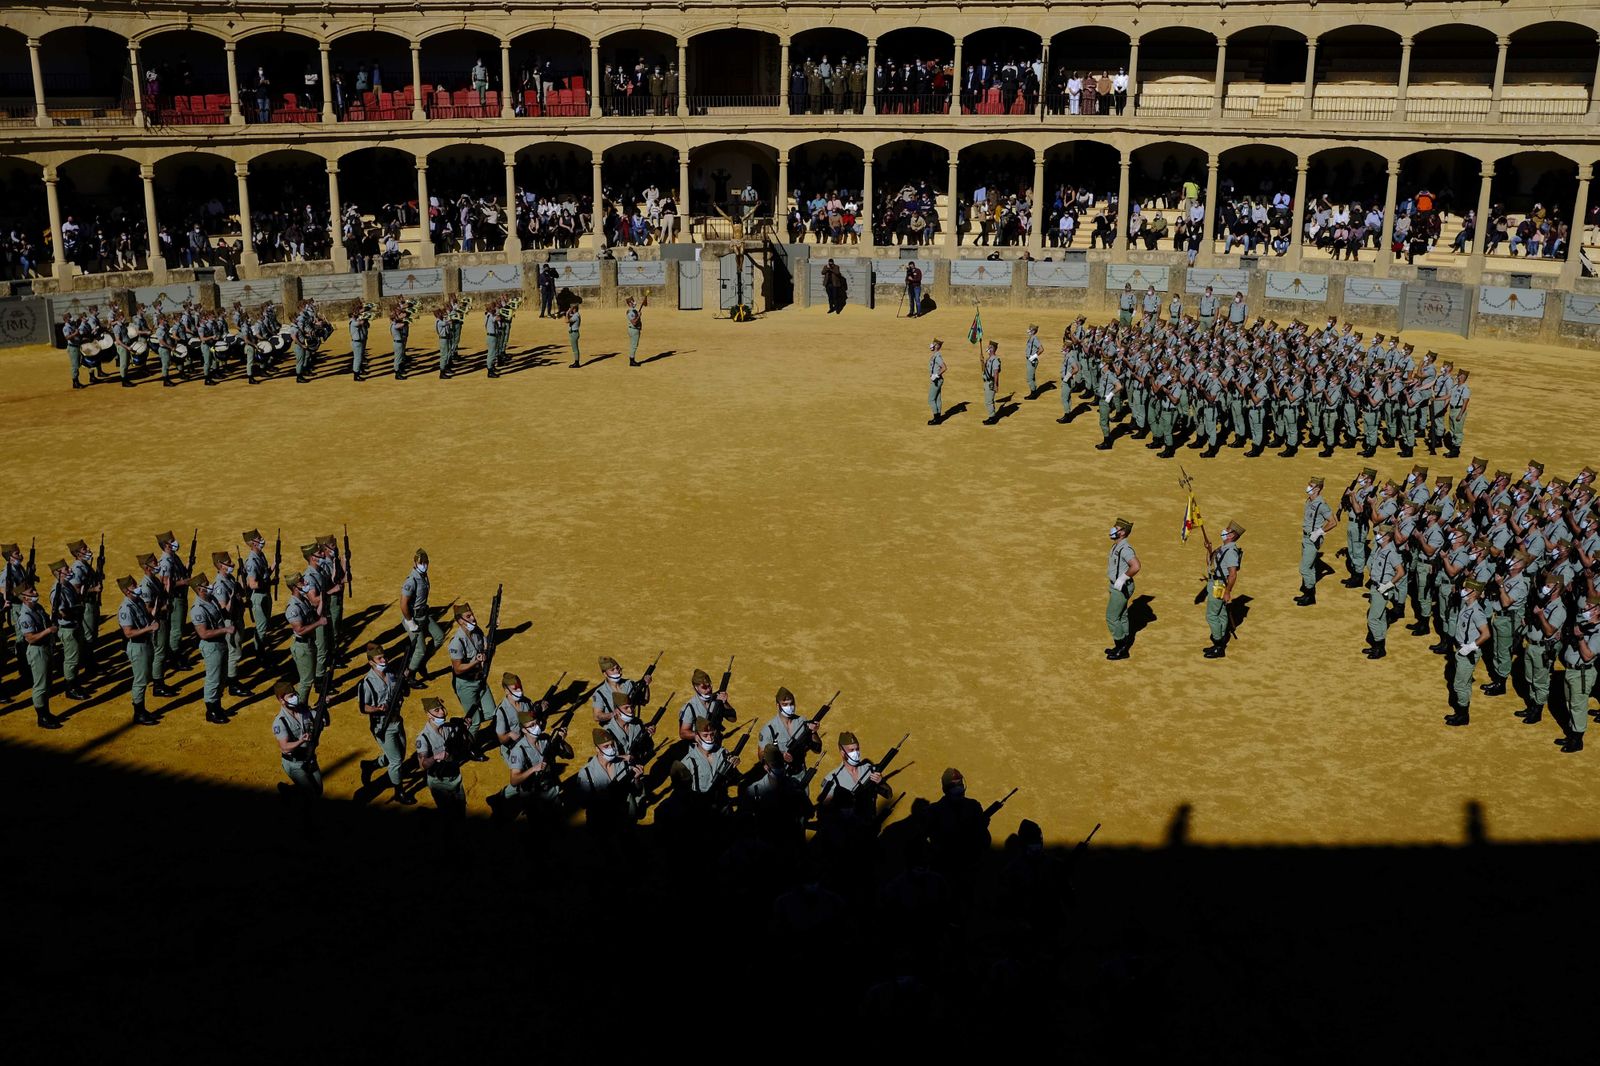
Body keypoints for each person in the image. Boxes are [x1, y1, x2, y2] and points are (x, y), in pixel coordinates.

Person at [357, 641, 416, 804]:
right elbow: (363, 707)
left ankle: (371, 765)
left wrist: (405, 680)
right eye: (379, 658)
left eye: (384, 657)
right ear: (371, 662)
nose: (384, 660)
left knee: (399, 755)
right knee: (396, 761)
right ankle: (399, 791)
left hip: (397, 720)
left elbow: (403, 692)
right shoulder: (366, 683)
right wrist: (378, 709)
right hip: (382, 725)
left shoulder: (391, 674)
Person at [446, 601, 494, 757]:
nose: (473, 618)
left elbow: (486, 647)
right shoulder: (457, 642)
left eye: (472, 614)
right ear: (460, 621)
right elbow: (458, 669)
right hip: (465, 684)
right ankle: (469, 748)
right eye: (468, 616)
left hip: (480, 679)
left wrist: (493, 631)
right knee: (475, 722)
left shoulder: (477, 631)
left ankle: (465, 723)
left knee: (491, 712)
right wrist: (475, 661)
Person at [187, 572, 236, 725]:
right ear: (199, 589)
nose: (210, 585)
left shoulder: (211, 599)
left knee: (222, 677)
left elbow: (222, 613)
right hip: (211, 646)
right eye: (206, 584)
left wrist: (231, 600)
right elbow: (203, 633)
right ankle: (211, 710)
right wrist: (225, 630)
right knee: (213, 679)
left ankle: (218, 706)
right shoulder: (197, 609)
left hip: (220, 643)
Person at [15, 584, 62, 729]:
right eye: (31, 591)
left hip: (46, 648)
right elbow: (30, 638)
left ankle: (46, 712)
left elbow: (46, 620)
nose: (35, 592)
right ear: (25, 598)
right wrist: (48, 631)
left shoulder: (38, 607)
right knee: (40, 686)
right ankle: (42, 717)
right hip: (37, 651)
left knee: (47, 683)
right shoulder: (25, 616)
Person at [1445, 579, 1491, 728]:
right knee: (1464, 683)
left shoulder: (1476, 612)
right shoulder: (1466, 605)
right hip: (1461, 649)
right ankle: (1460, 712)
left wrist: (1471, 646)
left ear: (1473, 593)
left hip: (1468, 652)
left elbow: (1486, 634)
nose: (1463, 591)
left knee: (1460, 685)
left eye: (1466, 589)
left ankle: (1463, 715)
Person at [116, 575, 161, 726]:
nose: (137, 588)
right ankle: (139, 713)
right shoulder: (126, 608)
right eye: (134, 586)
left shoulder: (139, 601)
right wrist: (149, 628)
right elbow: (128, 633)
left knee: (145, 677)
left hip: (146, 643)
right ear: (126, 591)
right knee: (140, 681)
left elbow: (147, 616)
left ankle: (141, 709)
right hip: (137, 646)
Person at [1557, 600, 1598, 753]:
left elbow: (1587, 656)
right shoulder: (1583, 623)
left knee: (1578, 707)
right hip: (1571, 670)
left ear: (1598, 610)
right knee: (1570, 704)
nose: (1585, 607)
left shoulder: (1598, 632)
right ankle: (1572, 734)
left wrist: (1580, 638)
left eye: (1590, 606)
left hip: (1582, 673)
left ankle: (1577, 740)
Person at [414, 696, 466, 815]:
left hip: (455, 778)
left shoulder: (450, 728)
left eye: (442, 708)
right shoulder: (423, 738)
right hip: (439, 783)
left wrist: (465, 728)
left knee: (461, 809)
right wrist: (435, 757)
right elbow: (422, 765)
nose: (442, 712)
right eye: (437, 710)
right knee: (447, 814)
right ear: (428, 714)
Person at [271, 680, 322, 799]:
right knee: (311, 795)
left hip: (309, 757)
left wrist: (323, 706)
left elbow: (317, 717)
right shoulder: (280, 722)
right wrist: (301, 741)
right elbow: (284, 747)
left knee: (318, 790)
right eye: (290, 696)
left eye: (294, 694)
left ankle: (290, 791)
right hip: (294, 763)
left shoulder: (303, 710)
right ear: (281, 700)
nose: (294, 698)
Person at [400, 549, 443, 685]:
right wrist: (409, 621)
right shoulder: (411, 581)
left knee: (439, 637)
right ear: (415, 563)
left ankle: (420, 664)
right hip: (413, 618)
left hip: (424, 615)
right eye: (421, 563)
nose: (424, 565)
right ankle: (409, 675)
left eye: (426, 562)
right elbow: (403, 604)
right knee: (420, 649)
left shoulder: (423, 576)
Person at [47, 560, 88, 701]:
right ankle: (70, 688)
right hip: (67, 629)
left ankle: (75, 683)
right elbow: (62, 612)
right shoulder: (57, 591)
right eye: (66, 569)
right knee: (71, 660)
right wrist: (77, 610)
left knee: (76, 657)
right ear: (58, 573)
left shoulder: (67, 585)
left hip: (75, 625)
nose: (70, 570)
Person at [1363, 525, 1405, 660]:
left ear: (1387, 537)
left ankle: (1379, 646)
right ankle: (1378, 647)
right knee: (1380, 617)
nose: (1377, 536)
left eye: (1380, 534)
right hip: (1375, 587)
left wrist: (1388, 585)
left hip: (1382, 589)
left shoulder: (1390, 552)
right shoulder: (1380, 548)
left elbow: (1401, 572)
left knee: (1373, 619)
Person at [1202, 522, 1244, 659]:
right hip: (1215, 582)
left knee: (1212, 615)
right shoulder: (1223, 548)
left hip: (1218, 585)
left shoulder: (1230, 552)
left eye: (1227, 529)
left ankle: (1218, 645)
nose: (1224, 530)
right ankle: (1220, 641)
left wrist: (1227, 591)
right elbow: (1211, 564)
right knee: (1221, 613)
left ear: (1231, 535)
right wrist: (1209, 549)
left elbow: (1233, 574)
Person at [1296, 478, 1336, 606]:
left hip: (1313, 539)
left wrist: (1319, 532)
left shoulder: (1321, 504)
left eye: (1311, 485)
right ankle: (1308, 595)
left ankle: (1309, 594)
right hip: (1305, 537)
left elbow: (1333, 522)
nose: (1308, 487)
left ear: (1317, 489)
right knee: (1311, 567)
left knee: (1304, 568)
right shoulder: (1309, 500)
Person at [1105, 518, 1139, 660]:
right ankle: (1124, 645)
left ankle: (1121, 648)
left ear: (1123, 532)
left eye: (1116, 527)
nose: (1113, 529)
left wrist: (1122, 579)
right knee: (1122, 615)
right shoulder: (1118, 545)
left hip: (1121, 587)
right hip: (1117, 586)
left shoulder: (1125, 549)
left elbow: (1136, 566)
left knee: (1112, 617)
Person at [981, 340, 1001, 425]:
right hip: (986, 382)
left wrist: (996, 385)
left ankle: (992, 418)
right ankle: (991, 416)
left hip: (990, 383)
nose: (988, 348)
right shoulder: (989, 359)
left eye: (989, 347)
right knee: (987, 400)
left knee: (989, 401)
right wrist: (982, 362)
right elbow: (984, 370)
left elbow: (996, 373)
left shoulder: (995, 360)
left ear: (993, 349)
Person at [927, 339, 946, 425]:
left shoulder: (937, 357)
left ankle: (936, 418)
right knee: (937, 398)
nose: (931, 345)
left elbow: (944, 367)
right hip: (938, 380)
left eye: (933, 343)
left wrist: (936, 375)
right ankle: (938, 418)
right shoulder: (935, 355)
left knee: (931, 399)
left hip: (936, 381)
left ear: (937, 346)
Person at [625, 294, 644, 366]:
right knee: (634, 345)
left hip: (634, 330)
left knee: (633, 345)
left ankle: (632, 360)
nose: (634, 302)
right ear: (630, 303)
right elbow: (634, 322)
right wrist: (639, 316)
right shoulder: (630, 312)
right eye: (633, 301)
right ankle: (632, 361)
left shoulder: (634, 310)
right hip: (634, 330)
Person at [1023, 324, 1042, 399]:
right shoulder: (1031, 338)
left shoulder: (1034, 339)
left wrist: (1033, 357)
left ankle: (1033, 393)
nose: (1028, 330)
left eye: (1030, 329)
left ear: (1033, 331)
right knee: (1031, 377)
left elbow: (1041, 349)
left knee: (1030, 378)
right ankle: (1034, 391)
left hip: (1032, 361)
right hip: (1029, 360)